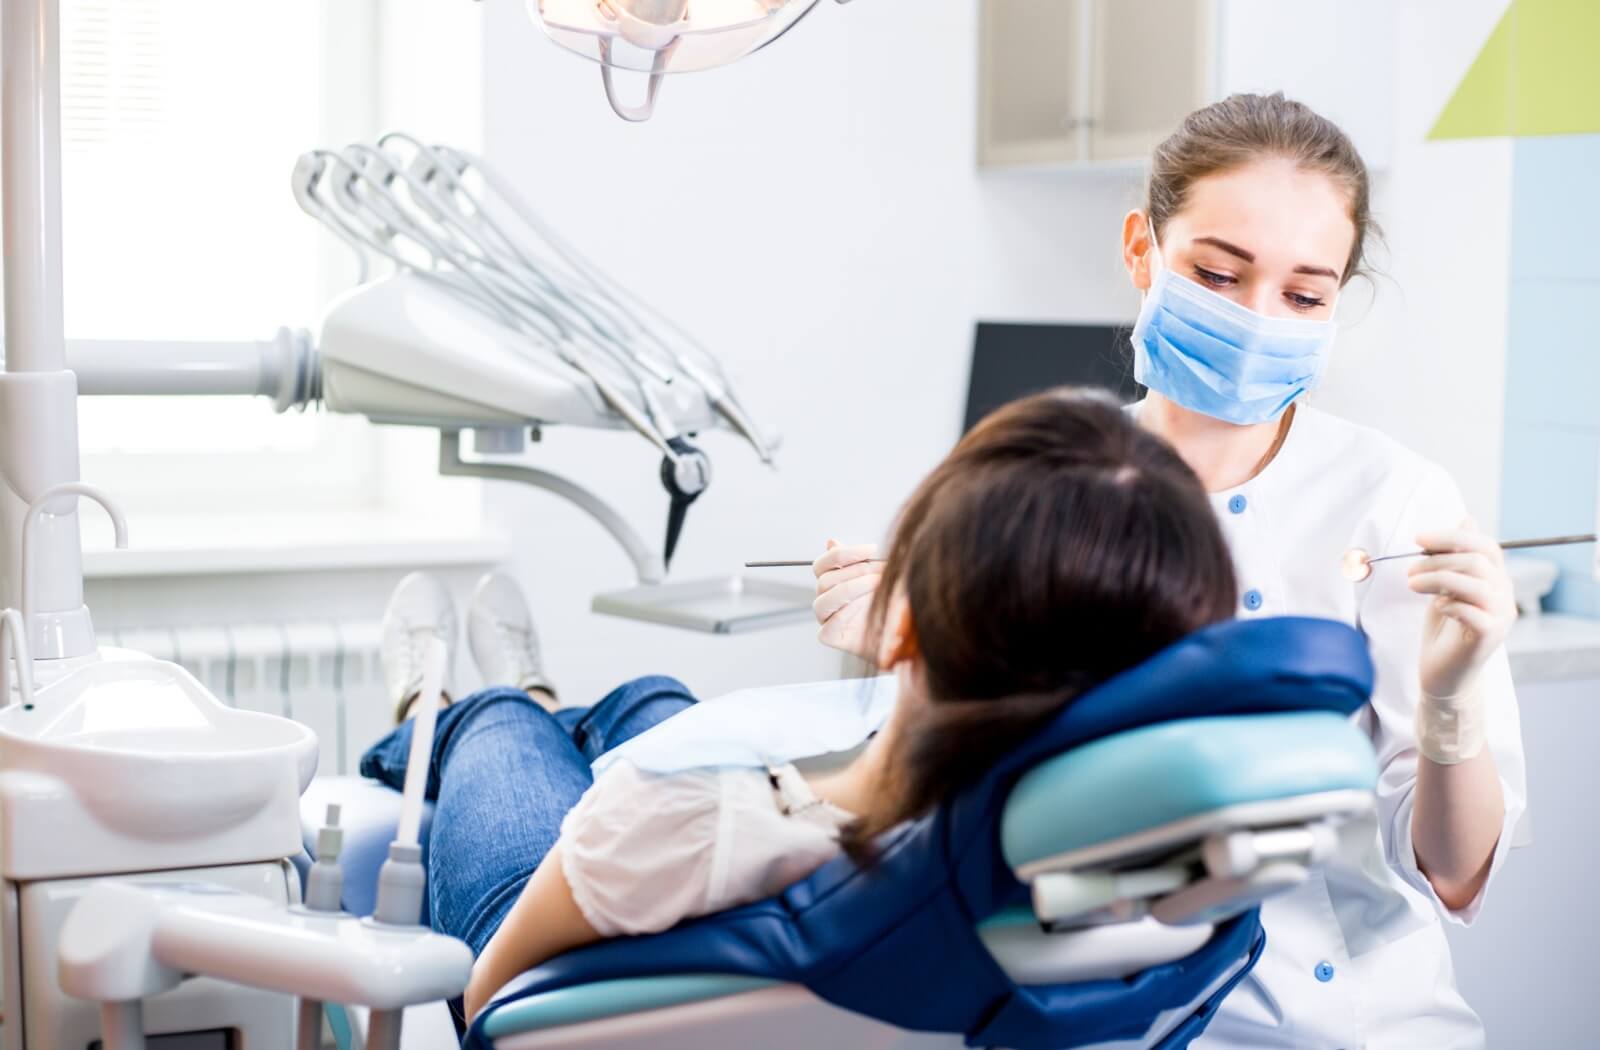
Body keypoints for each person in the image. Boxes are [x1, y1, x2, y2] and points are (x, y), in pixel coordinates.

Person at [815, 93, 1525, 1048]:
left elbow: (1450, 869)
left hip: (1352, 1026)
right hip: (1097, 1019)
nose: (1255, 319)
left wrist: (1452, 706)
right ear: (1143, 250)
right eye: (1217, 274)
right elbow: (961, 838)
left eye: (1304, 295)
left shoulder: (1395, 503)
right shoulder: (1036, 488)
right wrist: (909, 655)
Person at [363, 389, 1239, 1025]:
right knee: (658, 704)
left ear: (904, 625)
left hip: (603, 896)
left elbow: (491, 1008)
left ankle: (451, 703)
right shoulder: (1129, 870)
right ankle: (573, 706)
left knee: (502, 729)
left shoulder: (677, 813)